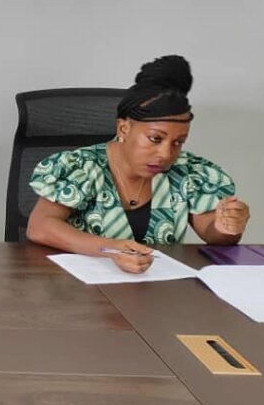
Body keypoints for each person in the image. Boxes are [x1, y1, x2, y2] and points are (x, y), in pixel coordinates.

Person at [26, 55, 249, 274]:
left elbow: (211, 233)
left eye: (178, 142)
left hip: (158, 289)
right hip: (79, 286)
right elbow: (40, 226)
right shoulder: (82, 167)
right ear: (123, 128)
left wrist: (226, 226)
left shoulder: (187, 172)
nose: (166, 154)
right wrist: (109, 249)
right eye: (155, 139)